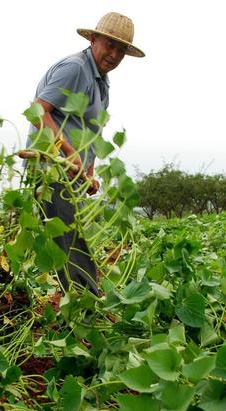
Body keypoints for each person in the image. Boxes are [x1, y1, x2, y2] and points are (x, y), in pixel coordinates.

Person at [26, 12, 144, 295]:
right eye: (109, 45)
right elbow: (37, 111)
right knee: (69, 238)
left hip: (71, 173)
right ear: (93, 39)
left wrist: (88, 172)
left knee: (75, 234)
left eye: (121, 50)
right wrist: (67, 153)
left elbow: (88, 131)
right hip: (51, 168)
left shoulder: (101, 80)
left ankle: (81, 301)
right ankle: (87, 304)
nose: (114, 55)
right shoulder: (76, 68)